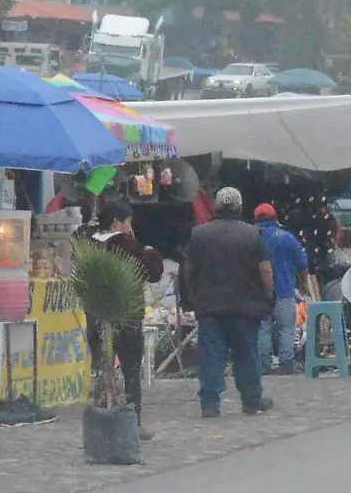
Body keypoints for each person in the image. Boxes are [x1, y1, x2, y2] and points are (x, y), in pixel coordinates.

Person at [178, 186, 274, 418]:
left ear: (217, 207)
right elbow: (266, 272)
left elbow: (188, 270)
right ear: (240, 207)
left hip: (210, 306)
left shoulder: (199, 234)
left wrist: (190, 296)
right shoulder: (253, 234)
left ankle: (210, 404)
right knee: (246, 354)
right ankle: (251, 401)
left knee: (211, 356)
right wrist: (268, 296)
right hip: (246, 306)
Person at [83, 202, 163, 439]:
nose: (130, 228)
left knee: (102, 369)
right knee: (130, 372)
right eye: (128, 223)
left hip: (96, 315)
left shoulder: (87, 241)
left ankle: (103, 419)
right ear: (117, 223)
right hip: (126, 316)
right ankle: (132, 421)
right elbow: (152, 272)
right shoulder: (125, 243)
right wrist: (148, 250)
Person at [253, 203, 309, 375]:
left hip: (258, 293)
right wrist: (304, 283)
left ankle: (264, 364)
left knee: (263, 328)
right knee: (287, 328)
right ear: (275, 217)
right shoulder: (287, 237)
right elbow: (302, 264)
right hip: (284, 291)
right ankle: (286, 363)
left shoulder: (250, 237)